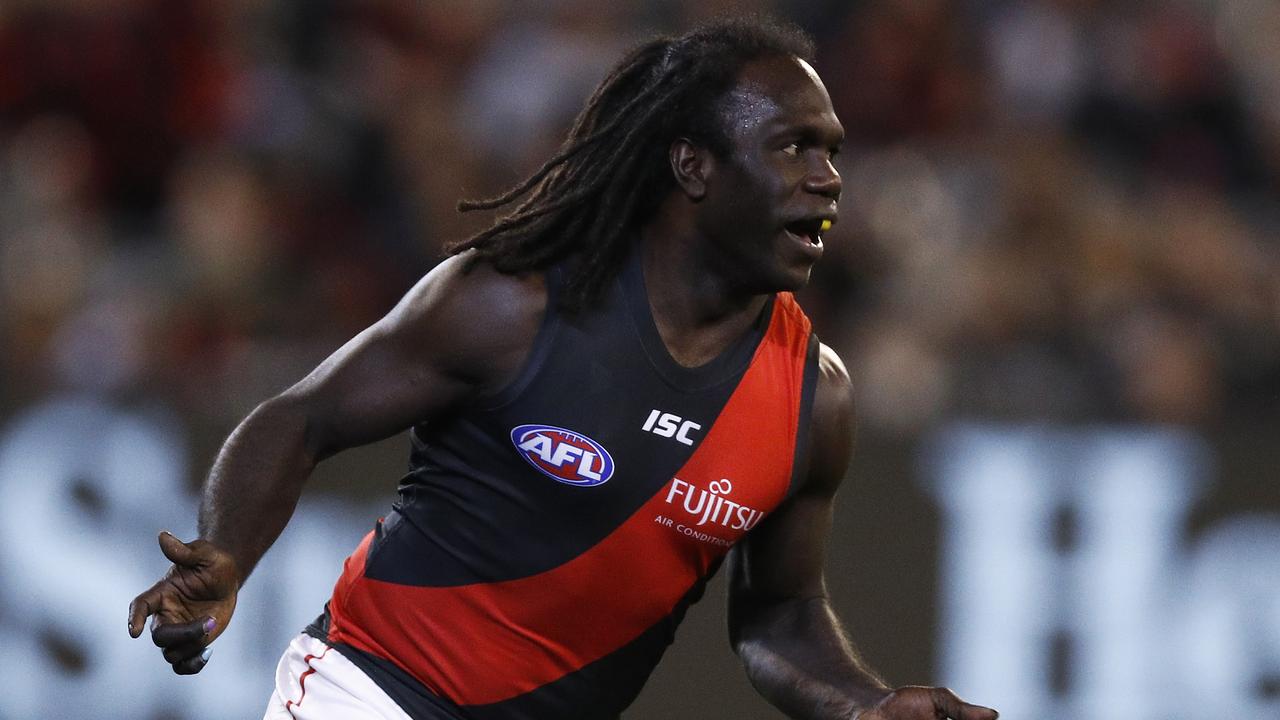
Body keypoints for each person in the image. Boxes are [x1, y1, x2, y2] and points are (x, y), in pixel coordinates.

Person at [128, 16, 998, 720]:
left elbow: (778, 617)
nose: (828, 180)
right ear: (693, 165)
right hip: (372, 692)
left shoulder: (816, 397)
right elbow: (300, 418)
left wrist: (862, 707)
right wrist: (229, 555)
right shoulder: (515, 301)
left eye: (834, 152)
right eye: (794, 148)